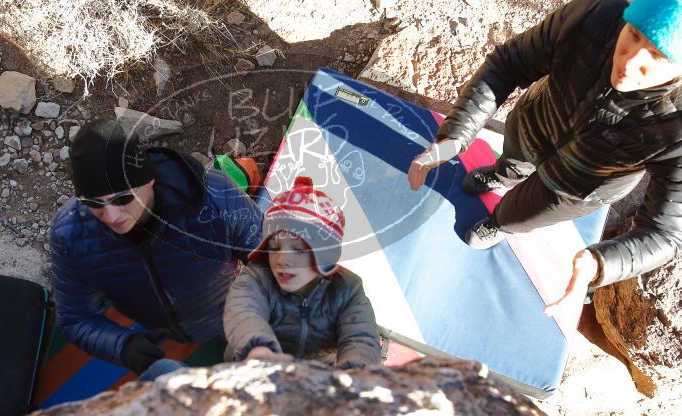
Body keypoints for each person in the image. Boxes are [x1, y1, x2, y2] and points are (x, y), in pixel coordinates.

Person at [407, 0, 682, 315]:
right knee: (510, 163)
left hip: (576, 188)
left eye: (657, 55)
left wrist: (599, 262)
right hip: (532, 126)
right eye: (633, 34)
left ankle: (500, 222)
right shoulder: (594, 15)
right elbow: (509, 62)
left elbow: (665, 232)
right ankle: (501, 175)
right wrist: (456, 133)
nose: (631, 62)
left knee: (518, 214)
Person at [51, 118, 262, 379]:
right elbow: (75, 317)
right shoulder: (69, 234)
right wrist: (124, 346)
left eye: (123, 198)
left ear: (149, 180)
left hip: (229, 312)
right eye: (93, 203)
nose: (111, 216)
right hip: (157, 328)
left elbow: (267, 258)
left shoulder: (217, 198)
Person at [223, 176, 381, 367]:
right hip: (255, 364)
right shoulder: (257, 277)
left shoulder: (347, 288)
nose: (282, 259)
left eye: (299, 250)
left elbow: (361, 338)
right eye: (275, 247)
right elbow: (244, 312)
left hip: (317, 373)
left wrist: (355, 372)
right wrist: (258, 349)